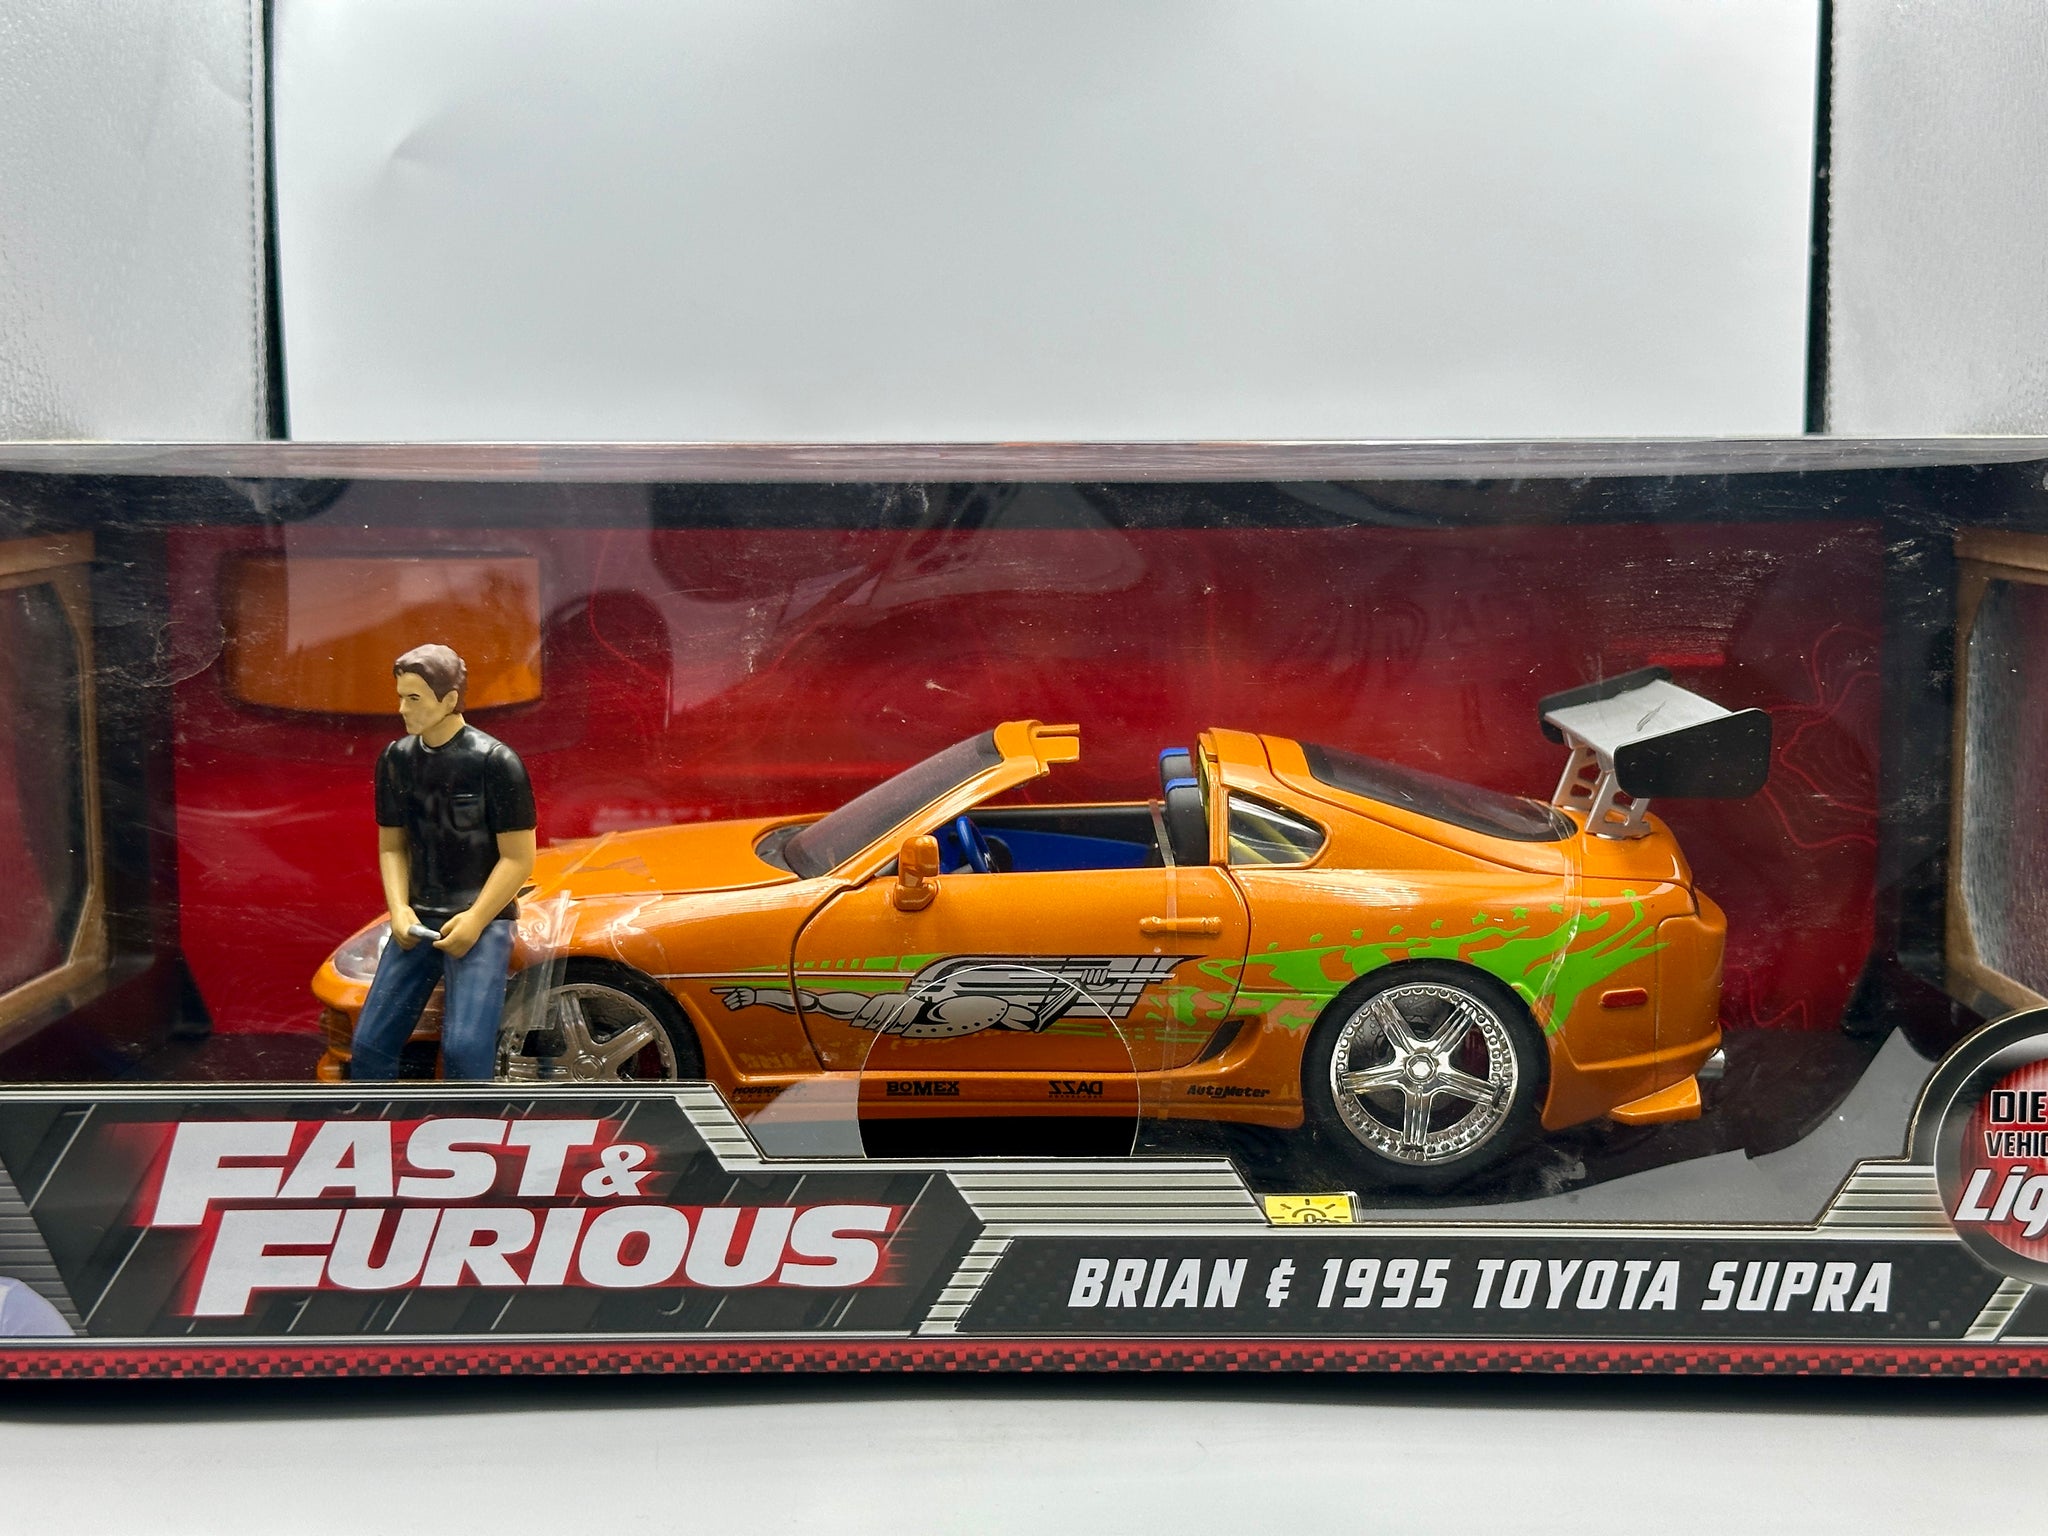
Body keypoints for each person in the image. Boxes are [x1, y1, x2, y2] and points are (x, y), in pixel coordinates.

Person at [350, 644, 536, 1080]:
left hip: (482, 921)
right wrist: (399, 909)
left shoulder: (496, 762)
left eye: (414, 698)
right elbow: (392, 846)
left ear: (449, 699)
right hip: (418, 918)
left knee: (466, 1051)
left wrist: (476, 919)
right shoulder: (396, 759)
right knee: (370, 1044)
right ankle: (376, 1120)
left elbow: (518, 858)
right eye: (401, 697)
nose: (402, 709)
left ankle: (470, 1122)